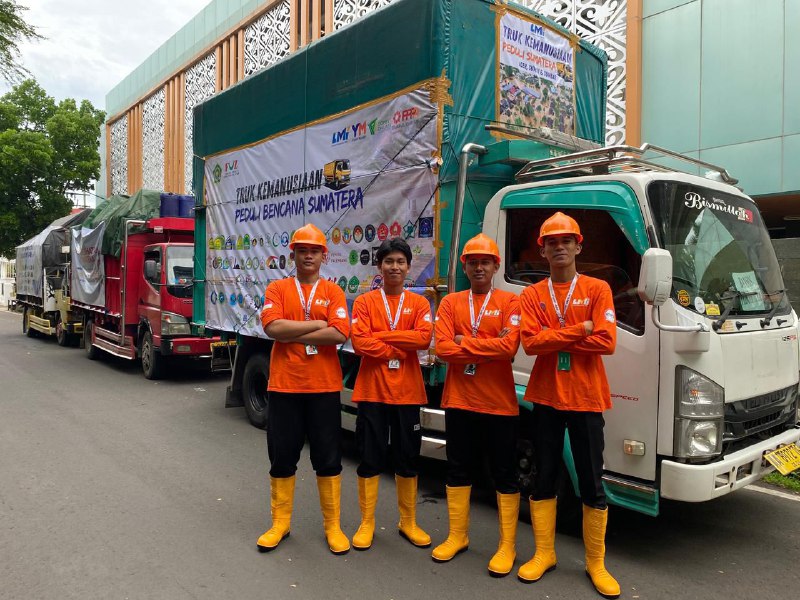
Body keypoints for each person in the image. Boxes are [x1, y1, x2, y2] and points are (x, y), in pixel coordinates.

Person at [517, 212, 619, 598]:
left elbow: (606, 341)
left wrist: (554, 334)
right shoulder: (531, 295)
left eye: (566, 241)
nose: (559, 247)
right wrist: (581, 329)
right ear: (542, 250)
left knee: (592, 482)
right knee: (544, 477)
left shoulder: (597, 289)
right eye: (551, 242)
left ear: (579, 245)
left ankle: (596, 563)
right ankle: (544, 553)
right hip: (546, 398)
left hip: (588, 398)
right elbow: (531, 343)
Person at [256, 223, 351, 555]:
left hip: (323, 388)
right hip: (284, 387)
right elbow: (272, 327)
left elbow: (339, 334)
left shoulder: (333, 292)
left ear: (324, 256)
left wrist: (291, 332)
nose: (308, 256)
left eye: (314, 251)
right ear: (292, 254)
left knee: (328, 458)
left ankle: (333, 526)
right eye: (302, 250)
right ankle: (280, 524)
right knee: (282, 457)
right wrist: (316, 324)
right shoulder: (278, 288)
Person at [432, 233, 522, 577]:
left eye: (485, 261)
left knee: (504, 474)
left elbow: (509, 348)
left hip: (499, 405)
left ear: (496, 266)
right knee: (458, 469)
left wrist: (463, 341)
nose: (479, 267)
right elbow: (442, 350)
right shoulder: (451, 303)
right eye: (473, 262)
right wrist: (486, 344)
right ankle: (458, 536)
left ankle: (507, 545)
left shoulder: (511, 303)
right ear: (464, 266)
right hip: (460, 401)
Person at [349, 237, 433, 551]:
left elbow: (424, 338)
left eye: (400, 261)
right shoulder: (365, 302)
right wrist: (400, 342)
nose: (394, 267)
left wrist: (380, 337)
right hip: (372, 392)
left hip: (408, 393)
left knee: (407, 458)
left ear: (408, 266)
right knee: (370, 458)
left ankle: (408, 521)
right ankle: (367, 522)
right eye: (389, 262)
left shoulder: (420, 303)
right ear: (380, 267)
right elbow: (360, 343)